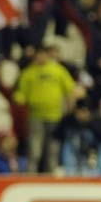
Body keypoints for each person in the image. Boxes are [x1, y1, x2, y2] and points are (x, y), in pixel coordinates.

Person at [13, 44, 79, 173]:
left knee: (53, 151)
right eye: (38, 55)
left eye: (43, 54)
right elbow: (21, 93)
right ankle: (30, 177)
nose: (41, 57)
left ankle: (51, 177)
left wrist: (70, 108)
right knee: (34, 150)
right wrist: (19, 99)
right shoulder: (28, 73)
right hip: (35, 116)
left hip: (55, 116)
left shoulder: (58, 70)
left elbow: (70, 90)